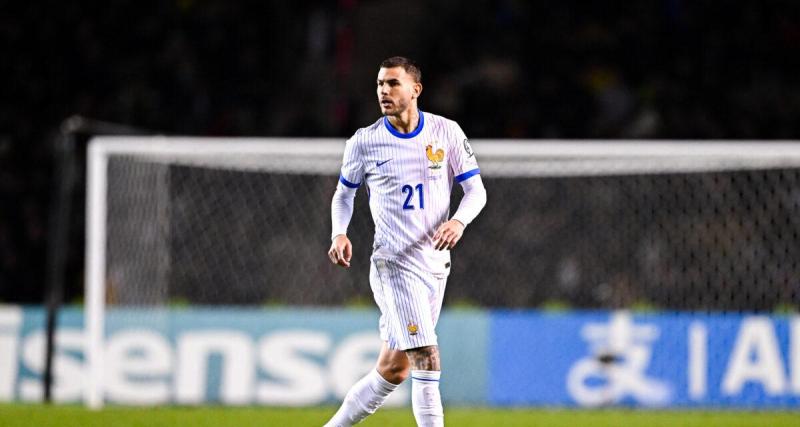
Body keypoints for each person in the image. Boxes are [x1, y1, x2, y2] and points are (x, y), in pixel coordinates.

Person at [324, 56, 487, 427]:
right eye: (380, 84)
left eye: (393, 83)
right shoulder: (364, 142)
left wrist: (459, 221)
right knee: (427, 357)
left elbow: (476, 191)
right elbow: (343, 194)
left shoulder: (446, 132)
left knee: (393, 369)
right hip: (393, 265)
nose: (384, 91)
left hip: (435, 265)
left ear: (416, 89)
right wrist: (339, 231)